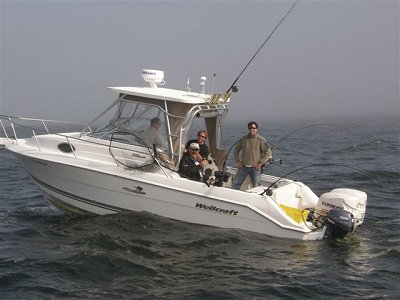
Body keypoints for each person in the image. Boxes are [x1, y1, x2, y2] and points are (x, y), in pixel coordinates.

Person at [232, 121, 272, 190]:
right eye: (250, 128)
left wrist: (261, 162)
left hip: (255, 168)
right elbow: (236, 150)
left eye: (253, 128)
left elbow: (268, 152)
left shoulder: (261, 140)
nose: (252, 129)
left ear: (257, 129)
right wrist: (237, 161)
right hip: (243, 167)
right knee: (235, 184)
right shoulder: (243, 139)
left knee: (256, 187)